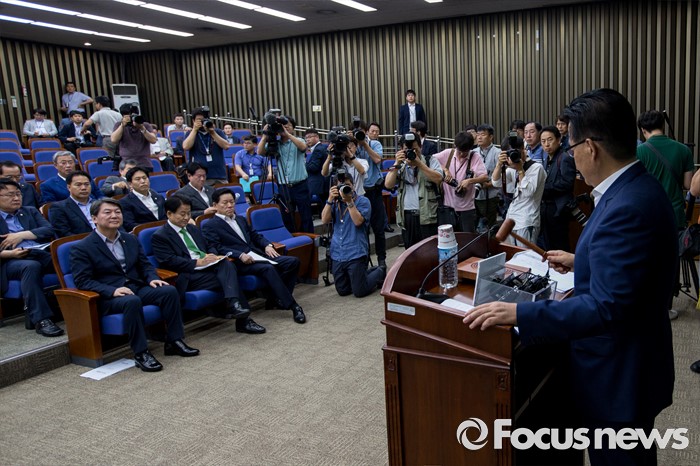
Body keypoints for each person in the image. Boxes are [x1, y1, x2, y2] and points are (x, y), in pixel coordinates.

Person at [464, 88, 676, 466]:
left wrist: (519, 312)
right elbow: (634, 271)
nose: (572, 157)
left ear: (590, 147)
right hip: (634, 362)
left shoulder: (626, 205)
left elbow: (606, 307)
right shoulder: (637, 186)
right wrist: (583, 261)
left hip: (620, 375)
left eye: (572, 146)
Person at [71, 199, 199, 372]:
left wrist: (151, 278)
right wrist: (112, 290)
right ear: (94, 218)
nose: (114, 216)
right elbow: (83, 280)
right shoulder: (82, 247)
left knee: (168, 291)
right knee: (132, 301)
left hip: (135, 286)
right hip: (108, 296)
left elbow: (145, 265)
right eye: (108, 212)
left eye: (117, 212)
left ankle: (174, 341)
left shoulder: (130, 239)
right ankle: (141, 353)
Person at [151, 195, 265, 334]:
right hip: (188, 275)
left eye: (189, 213)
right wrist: (197, 262)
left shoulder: (192, 228)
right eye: (182, 214)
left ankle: (235, 307)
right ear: (169, 213)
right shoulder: (160, 236)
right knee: (229, 278)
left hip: (207, 268)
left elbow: (208, 245)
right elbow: (169, 261)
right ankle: (242, 317)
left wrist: (213, 255)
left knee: (227, 265)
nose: (187, 217)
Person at [202, 188, 306, 324]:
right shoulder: (210, 225)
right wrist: (239, 255)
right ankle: (293, 306)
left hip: (257, 255)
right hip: (238, 262)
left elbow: (255, 236)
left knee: (292, 262)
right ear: (215, 205)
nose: (229, 205)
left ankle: (275, 299)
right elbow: (217, 248)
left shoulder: (240, 219)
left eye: (232, 202)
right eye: (225, 203)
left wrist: (267, 245)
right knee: (268, 268)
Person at [636, 109, 694, 321]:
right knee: (670, 261)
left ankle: (646, 304)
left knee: (646, 258)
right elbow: (688, 184)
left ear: (643, 130)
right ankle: (666, 307)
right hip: (674, 213)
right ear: (663, 125)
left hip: (647, 213)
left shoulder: (639, 152)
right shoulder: (683, 150)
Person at [0, 180, 63, 337]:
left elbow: (49, 230)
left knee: (69, 258)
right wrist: (10, 254)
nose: (16, 198)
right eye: (10, 195)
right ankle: (41, 320)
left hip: (38, 253)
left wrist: (22, 235)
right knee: (31, 266)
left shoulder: (29, 210)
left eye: (18, 194)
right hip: (8, 260)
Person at [322, 174, 385, 298]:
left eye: (348, 185)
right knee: (343, 291)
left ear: (353, 186)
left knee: (359, 292)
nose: (345, 189)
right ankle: (362, 276)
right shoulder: (334, 202)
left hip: (356, 253)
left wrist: (349, 201)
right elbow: (324, 220)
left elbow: (358, 222)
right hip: (338, 254)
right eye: (341, 186)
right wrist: (330, 199)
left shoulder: (363, 201)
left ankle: (380, 271)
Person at [384, 133, 443, 249]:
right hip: (407, 217)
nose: (412, 152)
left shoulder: (430, 160)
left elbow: (438, 179)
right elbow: (388, 184)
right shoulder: (401, 165)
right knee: (410, 253)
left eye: (415, 149)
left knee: (429, 251)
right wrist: (396, 164)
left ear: (421, 147)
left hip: (428, 216)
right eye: (407, 150)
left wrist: (419, 164)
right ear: (401, 150)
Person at [257, 115, 314, 233]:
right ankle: (292, 238)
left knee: (306, 216)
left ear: (293, 128)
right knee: (287, 217)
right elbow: (260, 152)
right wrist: (265, 136)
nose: (285, 128)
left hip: (300, 185)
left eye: (288, 126)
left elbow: (303, 147)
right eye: (283, 126)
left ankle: (310, 239)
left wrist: (287, 134)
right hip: (284, 187)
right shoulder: (276, 144)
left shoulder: (299, 140)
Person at [491, 135, 546, 245]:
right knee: (511, 253)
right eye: (509, 153)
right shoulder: (512, 169)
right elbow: (496, 182)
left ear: (523, 149)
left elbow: (528, 192)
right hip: (511, 219)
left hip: (527, 220)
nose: (512, 156)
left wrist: (520, 169)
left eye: (515, 152)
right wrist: (499, 164)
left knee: (525, 254)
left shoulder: (536, 168)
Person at [434, 132, 488, 233]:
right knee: (448, 239)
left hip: (467, 209)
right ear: (455, 146)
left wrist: (470, 181)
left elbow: (485, 177)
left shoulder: (475, 156)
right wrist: (445, 170)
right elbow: (430, 160)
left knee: (467, 238)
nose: (462, 154)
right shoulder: (448, 153)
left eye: (465, 152)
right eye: (460, 151)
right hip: (447, 207)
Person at [537, 126, 576, 251]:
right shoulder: (546, 158)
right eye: (543, 141)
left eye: (550, 140)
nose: (546, 144)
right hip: (546, 208)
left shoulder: (564, 157)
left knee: (559, 245)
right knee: (548, 245)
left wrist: (543, 188)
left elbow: (567, 183)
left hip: (558, 209)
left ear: (559, 140)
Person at [356, 121, 389, 267]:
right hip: (359, 193)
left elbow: (377, 159)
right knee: (362, 230)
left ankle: (381, 260)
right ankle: (364, 260)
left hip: (374, 191)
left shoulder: (374, 144)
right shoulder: (351, 145)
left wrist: (364, 144)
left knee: (378, 228)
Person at [182, 107, 229, 185]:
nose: (202, 122)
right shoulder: (190, 133)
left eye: (204, 119)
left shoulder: (217, 132)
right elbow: (186, 147)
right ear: (193, 121)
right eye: (199, 120)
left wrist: (212, 133)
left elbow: (226, 146)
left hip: (219, 176)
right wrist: (194, 129)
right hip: (200, 177)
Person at [48, 170, 97, 237]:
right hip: (81, 241)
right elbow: (64, 233)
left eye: (87, 184)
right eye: (78, 185)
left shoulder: (100, 204)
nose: (83, 188)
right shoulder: (58, 208)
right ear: (69, 187)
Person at [118, 167, 166, 231]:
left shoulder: (159, 197)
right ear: (130, 184)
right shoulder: (125, 202)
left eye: (144, 178)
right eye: (138, 179)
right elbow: (129, 225)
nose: (143, 181)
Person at [111, 103, 157, 169]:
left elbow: (153, 140)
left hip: (144, 162)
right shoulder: (119, 125)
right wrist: (122, 126)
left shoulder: (145, 125)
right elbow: (114, 140)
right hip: (126, 163)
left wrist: (142, 128)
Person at [473, 124, 502, 230]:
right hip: (476, 195)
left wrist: (487, 185)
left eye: (483, 134)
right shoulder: (474, 152)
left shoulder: (497, 152)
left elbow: (501, 176)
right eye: (478, 134)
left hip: (492, 195)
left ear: (491, 137)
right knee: (476, 224)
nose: (479, 137)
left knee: (491, 225)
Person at [304, 128, 329, 204]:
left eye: (310, 137)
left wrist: (303, 164)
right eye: (306, 138)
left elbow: (313, 167)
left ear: (317, 137)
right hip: (321, 184)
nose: (307, 139)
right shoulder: (319, 148)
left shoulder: (318, 149)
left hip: (319, 184)